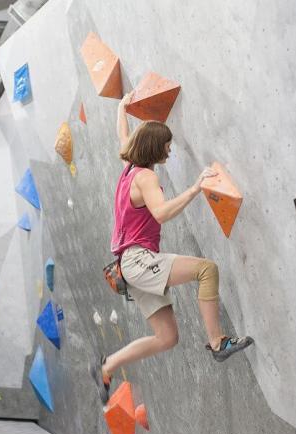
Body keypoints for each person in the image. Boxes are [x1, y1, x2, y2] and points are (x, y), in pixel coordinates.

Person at [91, 91, 253, 404]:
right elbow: (162, 213)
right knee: (207, 269)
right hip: (138, 261)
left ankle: (106, 366)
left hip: (129, 265)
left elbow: (122, 138)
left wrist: (122, 108)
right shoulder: (146, 177)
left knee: (167, 338)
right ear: (155, 147)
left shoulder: (128, 166)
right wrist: (195, 188)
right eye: (167, 144)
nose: (169, 149)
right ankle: (218, 343)